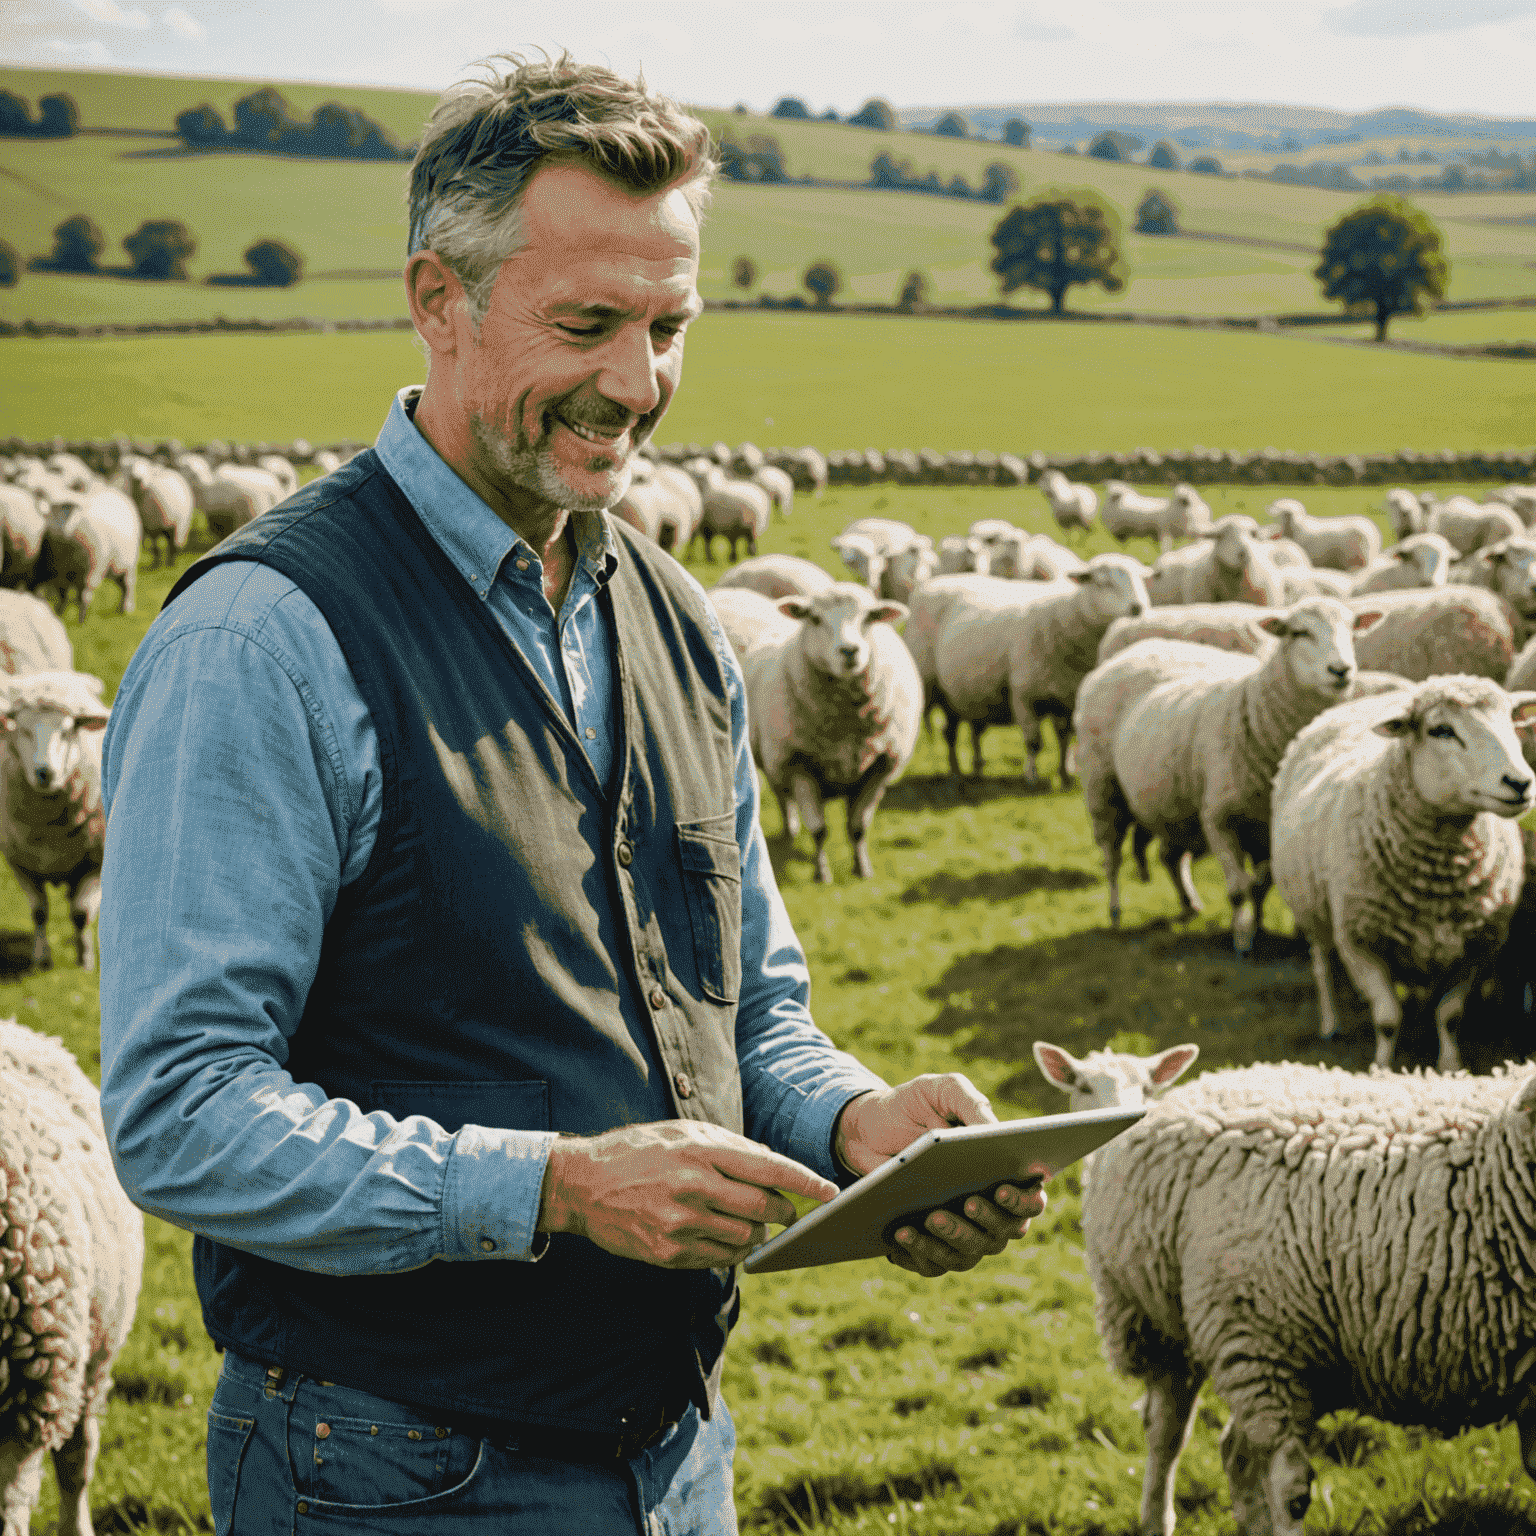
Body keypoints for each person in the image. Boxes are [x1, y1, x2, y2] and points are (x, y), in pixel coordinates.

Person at [98, 53, 1046, 1535]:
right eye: (589, 324)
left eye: (670, 328)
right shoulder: (266, 640)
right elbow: (179, 1110)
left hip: (673, 1456)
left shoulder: (683, 625)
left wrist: (859, 1129)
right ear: (438, 300)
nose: (638, 383)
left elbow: (746, 1010)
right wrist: (553, 1187)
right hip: (386, 1469)